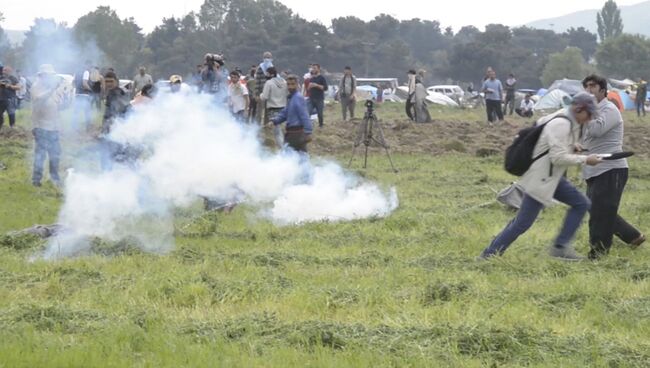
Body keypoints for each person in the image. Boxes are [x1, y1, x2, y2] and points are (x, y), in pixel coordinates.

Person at [479, 92, 603, 261]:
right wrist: (585, 159)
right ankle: (489, 254)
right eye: (589, 114)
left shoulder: (566, 120)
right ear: (579, 109)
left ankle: (560, 246)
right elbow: (557, 157)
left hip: (551, 177)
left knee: (581, 204)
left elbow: (551, 145)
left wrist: (573, 146)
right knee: (522, 223)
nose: (589, 119)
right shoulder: (562, 124)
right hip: (542, 179)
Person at [581, 74, 645, 259]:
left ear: (602, 90)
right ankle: (633, 236)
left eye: (592, 87)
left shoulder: (609, 109)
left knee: (600, 212)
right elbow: (586, 138)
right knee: (596, 208)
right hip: (594, 168)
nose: (589, 90)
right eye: (586, 87)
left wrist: (587, 111)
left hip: (611, 168)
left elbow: (595, 130)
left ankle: (598, 254)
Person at [30, 64, 66, 187]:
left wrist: (67, 96)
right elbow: (39, 100)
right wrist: (52, 89)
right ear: (41, 76)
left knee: (55, 154)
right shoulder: (36, 87)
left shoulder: (55, 90)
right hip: (41, 126)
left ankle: (54, 178)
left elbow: (59, 106)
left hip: (54, 127)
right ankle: (36, 180)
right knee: (40, 155)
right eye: (47, 75)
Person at [272, 75, 313, 153]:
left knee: (291, 158)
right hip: (291, 133)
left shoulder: (298, 98)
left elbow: (304, 115)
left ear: (297, 85)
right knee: (299, 158)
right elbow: (285, 112)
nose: (290, 87)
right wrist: (275, 121)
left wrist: (308, 132)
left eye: (293, 84)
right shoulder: (291, 98)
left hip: (297, 133)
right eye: (288, 84)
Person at [100, 71, 131, 170]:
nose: (109, 84)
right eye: (107, 81)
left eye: (111, 81)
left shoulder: (116, 93)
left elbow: (116, 114)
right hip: (113, 130)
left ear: (116, 82)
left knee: (111, 157)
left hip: (116, 130)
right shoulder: (112, 93)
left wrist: (107, 128)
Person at [254, 52, 274, 125]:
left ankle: (266, 126)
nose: (267, 59)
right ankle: (257, 126)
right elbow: (257, 81)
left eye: (268, 57)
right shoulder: (260, 68)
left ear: (271, 58)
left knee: (268, 111)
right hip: (261, 92)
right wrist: (256, 94)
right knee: (259, 111)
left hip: (270, 93)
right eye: (266, 57)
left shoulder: (272, 68)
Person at [73, 60, 93, 129]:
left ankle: (74, 127)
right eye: (90, 66)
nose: (90, 68)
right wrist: (91, 90)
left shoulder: (77, 72)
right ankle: (88, 127)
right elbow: (85, 83)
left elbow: (73, 83)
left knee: (76, 112)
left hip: (77, 94)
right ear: (87, 65)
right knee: (87, 112)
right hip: (85, 95)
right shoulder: (86, 72)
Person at [0, 64, 21, 129]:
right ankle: (1, 126)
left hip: (10, 98)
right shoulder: (1, 77)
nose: (3, 72)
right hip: (1, 98)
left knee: (11, 112)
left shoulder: (13, 78)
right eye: (3, 70)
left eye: (5, 70)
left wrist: (10, 86)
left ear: (10, 71)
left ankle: (12, 126)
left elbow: (19, 87)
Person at [307, 64, 328, 128]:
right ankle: (307, 126)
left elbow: (325, 88)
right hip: (311, 98)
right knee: (308, 112)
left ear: (318, 69)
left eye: (315, 68)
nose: (313, 69)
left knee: (320, 114)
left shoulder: (322, 78)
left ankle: (321, 126)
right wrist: (309, 87)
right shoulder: (311, 78)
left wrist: (317, 85)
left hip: (319, 99)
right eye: (312, 68)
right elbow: (308, 89)